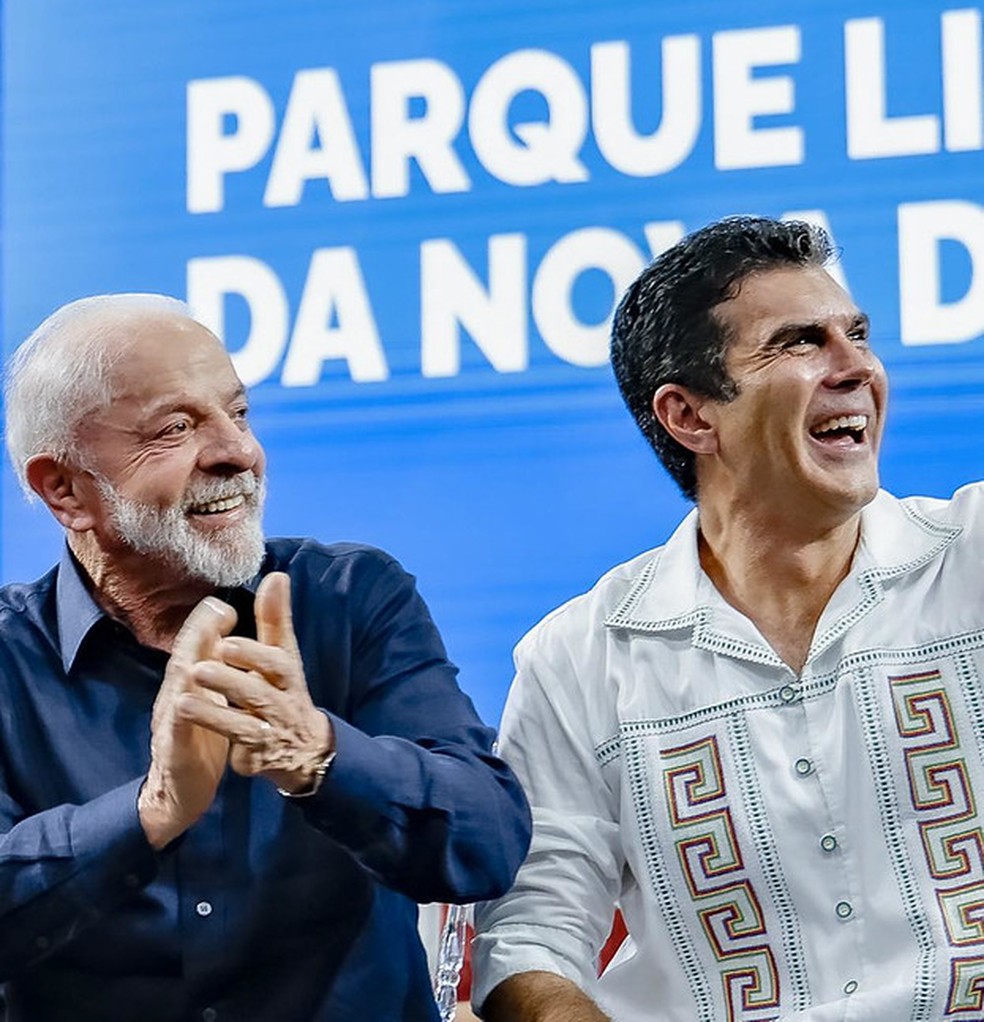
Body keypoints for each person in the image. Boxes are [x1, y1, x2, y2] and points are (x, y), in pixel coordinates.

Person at [472, 215, 984, 1021]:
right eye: (800, 343)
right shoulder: (576, 658)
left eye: (857, 335)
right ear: (691, 416)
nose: (857, 369)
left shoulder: (974, 557)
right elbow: (530, 941)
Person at [0, 293, 531, 1021]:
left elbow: (488, 837)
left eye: (239, 413)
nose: (237, 451)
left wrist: (319, 756)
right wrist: (150, 812)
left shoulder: (348, 599)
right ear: (63, 489)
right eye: (176, 427)